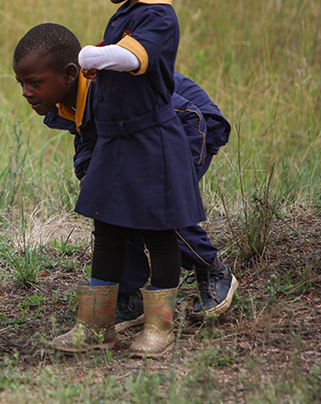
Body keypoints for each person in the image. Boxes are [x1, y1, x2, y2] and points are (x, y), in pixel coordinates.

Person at [12, 23, 238, 333]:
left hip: (187, 124)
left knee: (158, 208)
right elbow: (88, 137)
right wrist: (89, 174)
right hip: (143, 137)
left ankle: (212, 272)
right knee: (113, 205)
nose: (26, 92)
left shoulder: (109, 88)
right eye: (21, 83)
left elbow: (179, 114)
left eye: (34, 83)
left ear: (69, 73)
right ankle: (128, 296)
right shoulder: (66, 103)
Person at [48, 0, 205, 358]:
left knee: (159, 234)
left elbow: (133, 58)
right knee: (108, 229)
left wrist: (89, 55)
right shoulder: (126, 15)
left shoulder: (160, 15)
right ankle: (96, 325)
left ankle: (160, 327)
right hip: (116, 144)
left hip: (151, 143)